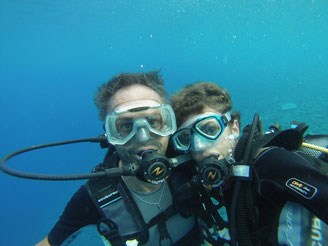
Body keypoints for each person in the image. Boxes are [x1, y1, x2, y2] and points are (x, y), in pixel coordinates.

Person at [36, 71, 199, 246]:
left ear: (168, 123)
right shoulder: (96, 196)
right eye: (127, 126)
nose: (143, 137)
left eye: (153, 121)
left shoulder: (191, 163)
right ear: (109, 135)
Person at [170, 81, 328, 245]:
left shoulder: (270, 163)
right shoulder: (230, 184)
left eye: (210, 130)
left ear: (234, 128)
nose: (199, 146)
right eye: (186, 139)